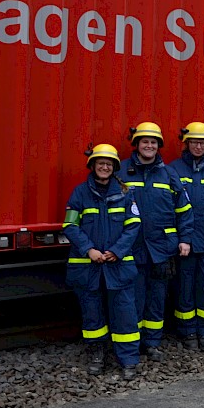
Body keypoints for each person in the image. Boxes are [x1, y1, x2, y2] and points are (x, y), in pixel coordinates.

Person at [62, 143, 142, 379]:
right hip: (89, 268)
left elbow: (133, 225)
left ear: (114, 167)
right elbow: (70, 225)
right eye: (100, 164)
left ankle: (128, 361)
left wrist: (117, 250)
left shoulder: (126, 193)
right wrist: (89, 250)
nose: (104, 167)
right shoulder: (79, 193)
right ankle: (97, 355)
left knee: (125, 315)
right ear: (93, 166)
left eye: (109, 164)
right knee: (92, 315)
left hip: (118, 266)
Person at [122, 122, 191, 362]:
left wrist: (185, 239)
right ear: (137, 144)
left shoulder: (169, 174)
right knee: (134, 297)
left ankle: (152, 342)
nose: (149, 146)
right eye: (145, 142)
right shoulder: (121, 172)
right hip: (133, 247)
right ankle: (134, 340)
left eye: (153, 142)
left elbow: (184, 210)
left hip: (162, 248)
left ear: (158, 146)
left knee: (156, 298)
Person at [168, 122, 204, 351]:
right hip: (186, 241)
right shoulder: (173, 169)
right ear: (187, 143)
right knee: (184, 287)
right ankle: (188, 331)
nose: (199, 146)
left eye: (203, 142)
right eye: (194, 142)